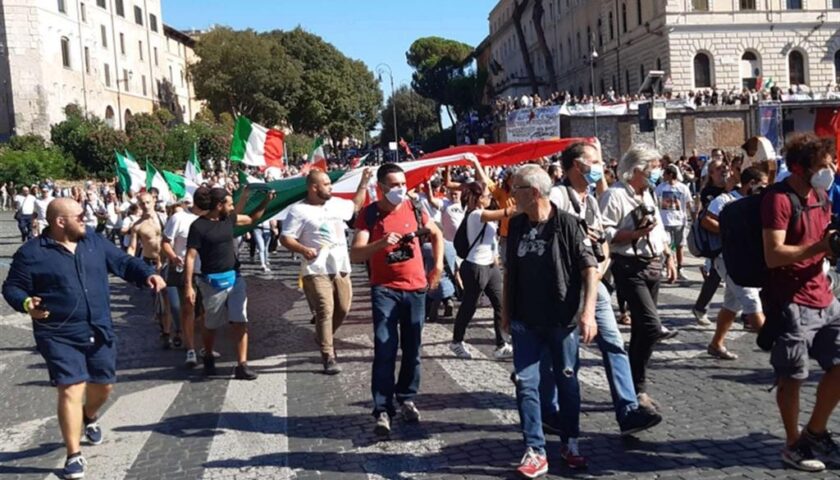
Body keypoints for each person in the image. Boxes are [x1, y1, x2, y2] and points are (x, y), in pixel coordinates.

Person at [2, 198, 165, 480]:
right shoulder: (32, 253)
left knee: (104, 386)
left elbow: (123, 262)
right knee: (70, 388)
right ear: (60, 222)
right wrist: (28, 303)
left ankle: (89, 416)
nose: (85, 220)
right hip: (57, 333)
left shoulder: (94, 242)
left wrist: (147, 274)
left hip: (99, 328)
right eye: (79, 216)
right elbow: (12, 287)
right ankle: (73, 455)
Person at [547, 142, 662, 442]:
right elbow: (549, 234)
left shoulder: (591, 201)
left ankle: (627, 412)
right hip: (565, 285)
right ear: (576, 165)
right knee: (564, 354)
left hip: (593, 283)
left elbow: (602, 240)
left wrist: (601, 264)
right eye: (594, 161)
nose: (600, 167)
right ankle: (551, 411)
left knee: (613, 344)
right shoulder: (558, 196)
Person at [502, 164, 599, 478]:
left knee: (567, 381)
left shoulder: (569, 225)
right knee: (526, 384)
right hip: (525, 321)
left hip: (562, 319)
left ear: (532, 192)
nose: (510, 194)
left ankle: (570, 442)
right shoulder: (516, 225)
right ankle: (535, 449)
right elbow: (509, 272)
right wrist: (505, 311)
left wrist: (587, 312)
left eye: (514, 189)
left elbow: (590, 270)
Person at [761, 134, 840, 472]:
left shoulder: (822, 196)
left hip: (824, 295)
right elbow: (773, 254)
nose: (831, 170)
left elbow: (824, 241)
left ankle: (815, 431)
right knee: (793, 376)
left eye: (831, 163)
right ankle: (793, 444)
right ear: (799, 167)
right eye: (823, 166)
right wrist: (821, 247)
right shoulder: (778, 200)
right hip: (791, 302)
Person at [350, 163, 444, 436]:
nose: (400, 189)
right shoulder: (369, 215)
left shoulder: (415, 207)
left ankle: (406, 397)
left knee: (413, 347)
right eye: (393, 185)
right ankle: (382, 408)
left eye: (402, 184)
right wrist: (380, 244)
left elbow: (436, 234)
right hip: (385, 290)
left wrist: (437, 266)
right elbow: (356, 254)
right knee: (385, 347)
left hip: (415, 288)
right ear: (380, 187)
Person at [600, 144, 678, 413]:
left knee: (642, 333)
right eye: (652, 167)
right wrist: (633, 235)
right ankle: (633, 386)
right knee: (649, 325)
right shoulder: (614, 196)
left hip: (653, 262)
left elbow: (657, 229)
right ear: (636, 169)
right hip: (628, 265)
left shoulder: (649, 194)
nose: (657, 171)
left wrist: (669, 254)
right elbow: (604, 232)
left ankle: (637, 386)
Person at [280, 168, 371, 374]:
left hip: (340, 266)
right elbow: (286, 238)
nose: (331, 187)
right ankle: (328, 354)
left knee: (343, 308)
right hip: (316, 268)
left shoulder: (336, 204)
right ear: (314, 187)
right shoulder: (298, 211)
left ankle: (323, 335)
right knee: (325, 308)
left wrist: (364, 182)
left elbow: (356, 204)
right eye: (327, 184)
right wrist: (303, 249)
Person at [184, 186, 274, 381]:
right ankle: (208, 356)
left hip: (235, 277)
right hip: (211, 283)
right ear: (219, 205)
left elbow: (251, 219)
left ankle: (242, 365)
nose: (233, 207)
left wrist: (266, 201)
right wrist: (188, 286)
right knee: (211, 324)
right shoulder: (198, 227)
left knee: (240, 320)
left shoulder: (228, 219)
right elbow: (190, 257)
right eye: (230, 203)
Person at [449, 156, 513, 360]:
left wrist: (495, 257)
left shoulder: (483, 210)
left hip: (489, 265)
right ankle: (457, 342)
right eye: (486, 195)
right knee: (470, 305)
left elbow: (491, 238)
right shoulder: (476, 214)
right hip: (475, 266)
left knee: (500, 303)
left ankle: (501, 344)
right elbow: (507, 212)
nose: (489, 197)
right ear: (478, 198)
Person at [702, 167, 768, 360]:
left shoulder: (757, 202)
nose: (765, 188)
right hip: (726, 257)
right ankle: (777, 351)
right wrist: (731, 232)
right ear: (751, 183)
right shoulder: (725, 200)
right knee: (751, 300)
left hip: (745, 259)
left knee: (732, 303)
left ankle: (716, 344)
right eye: (762, 184)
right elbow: (706, 220)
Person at [162, 194, 206, 368]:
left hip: (206, 271)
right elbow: (165, 242)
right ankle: (191, 349)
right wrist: (173, 257)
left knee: (205, 312)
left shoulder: (211, 218)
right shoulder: (178, 218)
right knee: (187, 309)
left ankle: (205, 346)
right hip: (183, 270)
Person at [127, 193, 173, 350]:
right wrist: (129, 264)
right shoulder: (137, 225)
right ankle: (165, 330)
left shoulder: (165, 218)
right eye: (142, 203)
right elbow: (133, 247)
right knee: (158, 298)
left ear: (154, 201)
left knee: (169, 297)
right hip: (150, 263)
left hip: (167, 261)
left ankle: (171, 330)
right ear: (138, 204)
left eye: (148, 202)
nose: (146, 205)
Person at [692, 153, 730, 325]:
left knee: (721, 274)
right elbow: (712, 213)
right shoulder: (709, 192)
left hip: (729, 236)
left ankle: (701, 307)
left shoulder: (730, 187)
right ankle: (700, 307)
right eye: (719, 169)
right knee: (717, 274)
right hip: (717, 237)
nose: (723, 172)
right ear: (711, 173)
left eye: (724, 168)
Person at [654, 164, 694, 279]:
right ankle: (666, 267)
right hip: (665, 221)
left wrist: (693, 216)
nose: (663, 176)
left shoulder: (682, 188)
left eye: (665, 174)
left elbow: (688, 203)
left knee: (679, 246)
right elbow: (655, 202)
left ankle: (680, 268)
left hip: (679, 221)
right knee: (665, 246)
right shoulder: (660, 187)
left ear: (671, 175)